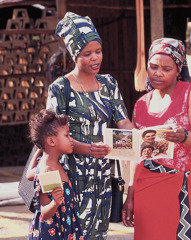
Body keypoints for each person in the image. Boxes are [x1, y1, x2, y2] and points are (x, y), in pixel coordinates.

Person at [27, 12, 134, 240]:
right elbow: (53, 134)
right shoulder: (61, 88)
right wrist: (87, 148)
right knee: (73, 232)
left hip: (102, 177)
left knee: (98, 233)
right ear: (75, 55)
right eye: (87, 54)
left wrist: (141, 137)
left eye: (98, 51)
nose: (95, 58)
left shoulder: (108, 84)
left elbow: (123, 120)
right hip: (71, 176)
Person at [122, 38, 191, 240]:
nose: (158, 72)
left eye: (167, 68)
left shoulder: (190, 94)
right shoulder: (141, 105)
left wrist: (184, 136)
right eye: (153, 66)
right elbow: (136, 154)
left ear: (178, 70)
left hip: (187, 187)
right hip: (149, 188)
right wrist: (130, 195)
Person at [28, 109, 84, 240]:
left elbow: (28, 175)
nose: (71, 140)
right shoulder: (48, 170)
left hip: (64, 228)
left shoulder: (53, 162)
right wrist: (55, 203)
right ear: (51, 141)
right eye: (67, 135)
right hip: (54, 233)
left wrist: (39, 148)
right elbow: (45, 213)